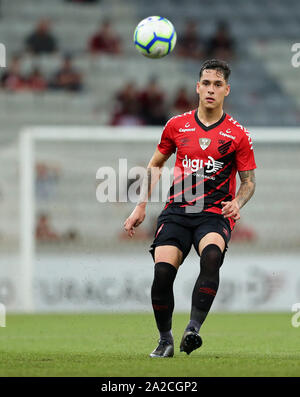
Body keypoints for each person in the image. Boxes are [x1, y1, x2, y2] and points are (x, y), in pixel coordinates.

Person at [124, 59, 256, 358]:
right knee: (162, 274)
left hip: (213, 213)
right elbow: (155, 165)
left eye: (217, 84)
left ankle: (193, 329)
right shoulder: (176, 126)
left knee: (212, 256)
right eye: (206, 83)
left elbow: (248, 181)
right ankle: (165, 339)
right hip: (177, 211)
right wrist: (140, 206)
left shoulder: (238, 135)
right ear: (197, 87)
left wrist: (238, 202)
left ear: (227, 90)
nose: (211, 89)